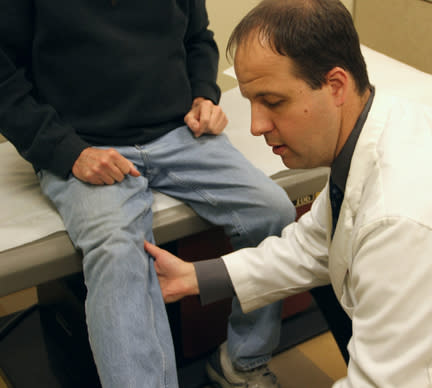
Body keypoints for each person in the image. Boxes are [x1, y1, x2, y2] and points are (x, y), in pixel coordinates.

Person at [144, 0, 432, 386]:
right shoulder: (377, 128)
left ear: (335, 85)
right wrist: (195, 277)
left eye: (273, 101)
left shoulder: (405, 218)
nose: (256, 125)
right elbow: (316, 243)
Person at [0, 1, 295, 387]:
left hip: (178, 132)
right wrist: (66, 151)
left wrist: (204, 95)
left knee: (272, 211)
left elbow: (197, 39)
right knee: (119, 252)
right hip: (84, 145)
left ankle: (243, 361)